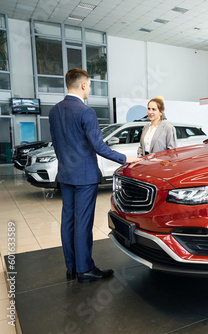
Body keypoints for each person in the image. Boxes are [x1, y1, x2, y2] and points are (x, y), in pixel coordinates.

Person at [49, 68, 141, 283]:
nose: (89, 88)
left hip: (66, 175)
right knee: (83, 222)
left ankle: (71, 267)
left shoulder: (54, 111)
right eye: (89, 85)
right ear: (82, 85)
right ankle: (85, 269)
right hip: (85, 177)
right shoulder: (85, 112)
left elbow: (57, 145)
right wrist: (124, 159)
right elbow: (99, 146)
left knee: (68, 221)